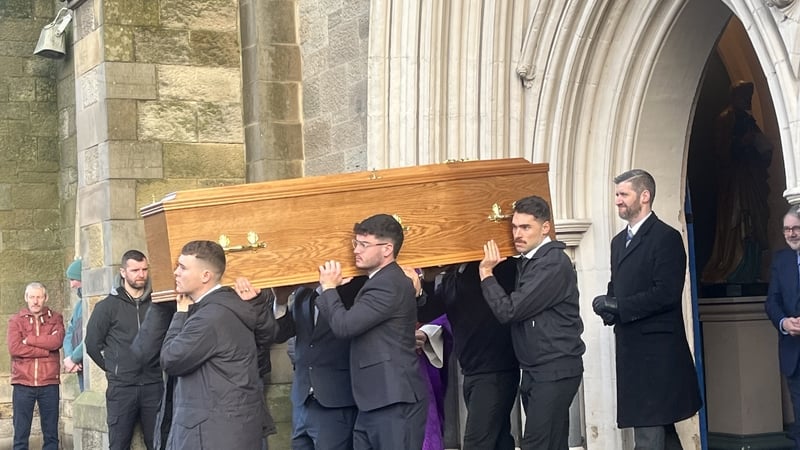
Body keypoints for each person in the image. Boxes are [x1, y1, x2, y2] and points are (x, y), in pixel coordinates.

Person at [592, 169, 702, 449]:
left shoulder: (666, 237)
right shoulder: (619, 242)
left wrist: (620, 306)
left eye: (623, 194)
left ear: (645, 196)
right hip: (632, 348)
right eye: (616, 194)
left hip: (658, 352)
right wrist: (608, 305)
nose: (617, 201)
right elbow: (618, 283)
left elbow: (665, 294)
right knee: (661, 432)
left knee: (650, 433)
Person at [479, 195, 584, 450]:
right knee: (552, 444)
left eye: (526, 227)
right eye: (514, 227)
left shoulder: (552, 263)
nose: (518, 234)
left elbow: (510, 310)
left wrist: (486, 274)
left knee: (537, 444)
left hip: (554, 368)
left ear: (545, 227)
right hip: (539, 368)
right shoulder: (531, 262)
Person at [316, 213, 428, 449]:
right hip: (375, 401)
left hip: (394, 399)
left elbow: (344, 325)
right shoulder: (377, 282)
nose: (356, 250)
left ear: (387, 249)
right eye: (355, 243)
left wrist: (328, 288)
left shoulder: (388, 283)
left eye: (364, 245)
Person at [160, 240, 269, 449]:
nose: (175, 272)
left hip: (212, 433)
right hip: (232, 427)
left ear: (205, 276)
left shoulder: (210, 318)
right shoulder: (230, 305)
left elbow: (171, 359)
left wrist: (180, 315)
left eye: (183, 267)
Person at [243, 277, 366, 450]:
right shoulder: (303, 293)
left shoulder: (352, 290)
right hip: (302, 399)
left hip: (335, 400)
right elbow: (281, 335)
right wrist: (281, 301)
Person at [418, 261, 519, 450]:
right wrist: (429, 280)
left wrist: (487, 268)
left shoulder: (496, 269)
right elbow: (427, 313)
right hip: (472, 370)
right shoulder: (452, 277)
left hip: (496, 370)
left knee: (476, 442)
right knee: (499, 439)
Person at [85, 250, 163, 450]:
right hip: (122, 388)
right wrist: (113, 368)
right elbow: (92, 344)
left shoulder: (159, 304)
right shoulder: (107, 306)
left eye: (145, 269)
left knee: (158, 443)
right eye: (135, 270)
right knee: (119, 444)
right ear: (123, 272)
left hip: (153, 385)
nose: (141, 274)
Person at [702, 80, 773, 284]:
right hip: (736, 182)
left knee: (754, 223)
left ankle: (751, 270)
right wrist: (741, 144)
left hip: (751, 178)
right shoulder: (726, 118)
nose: (748, 100)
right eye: (744, 96)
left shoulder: (749, 120)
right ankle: (734, 268)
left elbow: (762, 148)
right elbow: (721, 150)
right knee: (738, 222)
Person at [7, 282, 65, 450]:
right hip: (22, 383)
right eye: (32, 297)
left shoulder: (55, 318)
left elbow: (56, 342)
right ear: (26, 298)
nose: (35, 301)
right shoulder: (15, 321)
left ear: (45, 298)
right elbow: (15, 348)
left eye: (39, 297)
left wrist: (29, 340)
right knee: (20, 435)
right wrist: (45, 351)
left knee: (51, 435)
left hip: (49, 383)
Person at [765, 204, 800, 447]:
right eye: (787, 229)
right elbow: (772, 301)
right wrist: (784, 322)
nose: (791, 234)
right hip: (793, 354)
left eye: (797, 228)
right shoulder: (782, 260)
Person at [63, 258, 85, 392]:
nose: (71, 285)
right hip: (78, 365)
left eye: (73, 280)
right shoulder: (78, 306)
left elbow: (92, 336)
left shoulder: (94, 303)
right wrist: (69, 357)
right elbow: (69, 333)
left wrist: (74, 357)